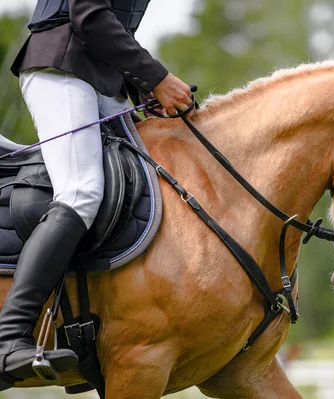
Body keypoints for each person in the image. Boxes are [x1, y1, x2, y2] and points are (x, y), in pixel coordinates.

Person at [0, 0, 192, 389]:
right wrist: (156, 77)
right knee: (81, 192)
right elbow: (87, 14)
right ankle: (9, 337)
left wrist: (141, 90)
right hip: (62, 63)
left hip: (102, 77)